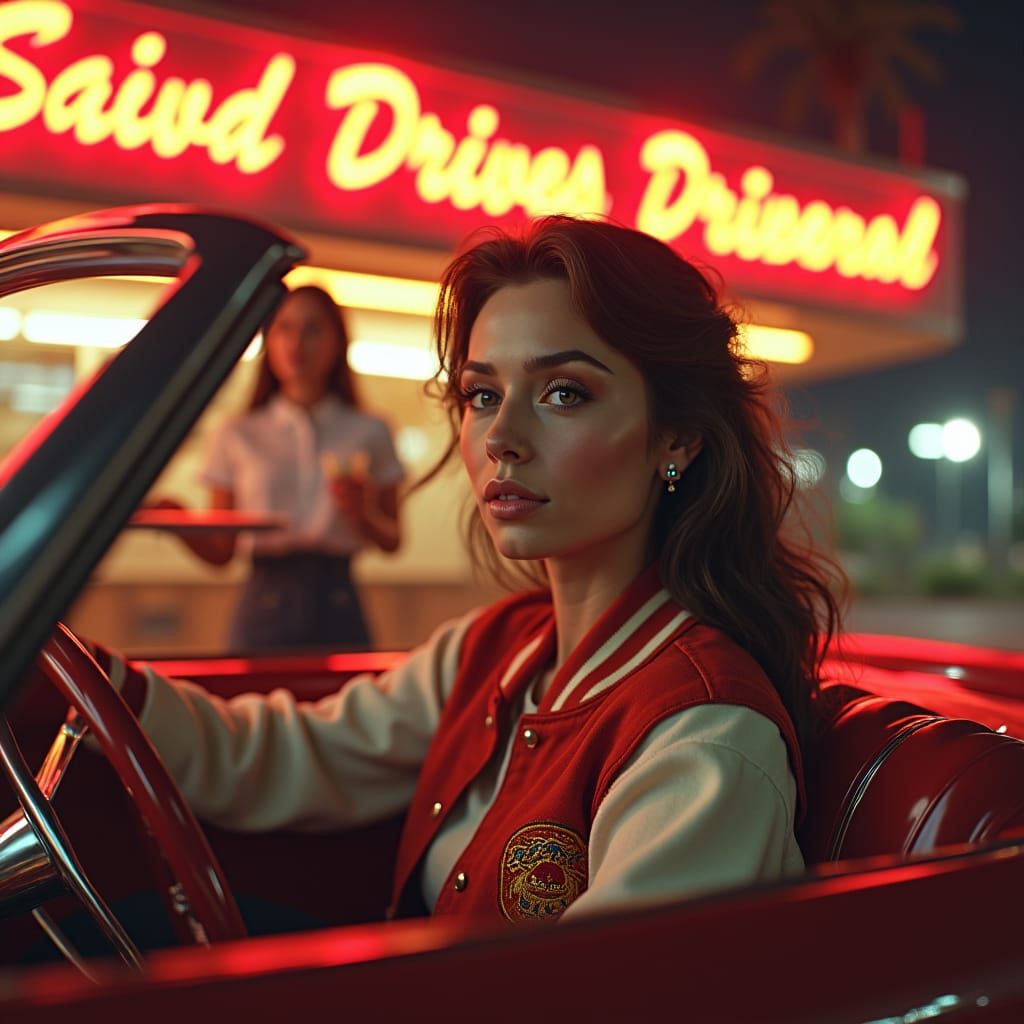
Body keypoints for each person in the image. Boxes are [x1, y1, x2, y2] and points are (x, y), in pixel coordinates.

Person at [104, 216, 844, 924]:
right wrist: (99, 684)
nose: (501, 437)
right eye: (482, 395)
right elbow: (278, 756)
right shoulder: (493, 650)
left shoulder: (703, 739)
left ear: (676, 437)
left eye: (564, 393)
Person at [176, 284, 404, 651]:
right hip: (263, 597)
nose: (297, 342)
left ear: (337, 342)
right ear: (270, 341)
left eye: (313, 329)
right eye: (285, 328)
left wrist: (363, 513)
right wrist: (179, 523)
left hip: (338, 600)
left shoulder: (369, 430)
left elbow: (393, 538)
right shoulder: (238, 432)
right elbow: (222, 550)